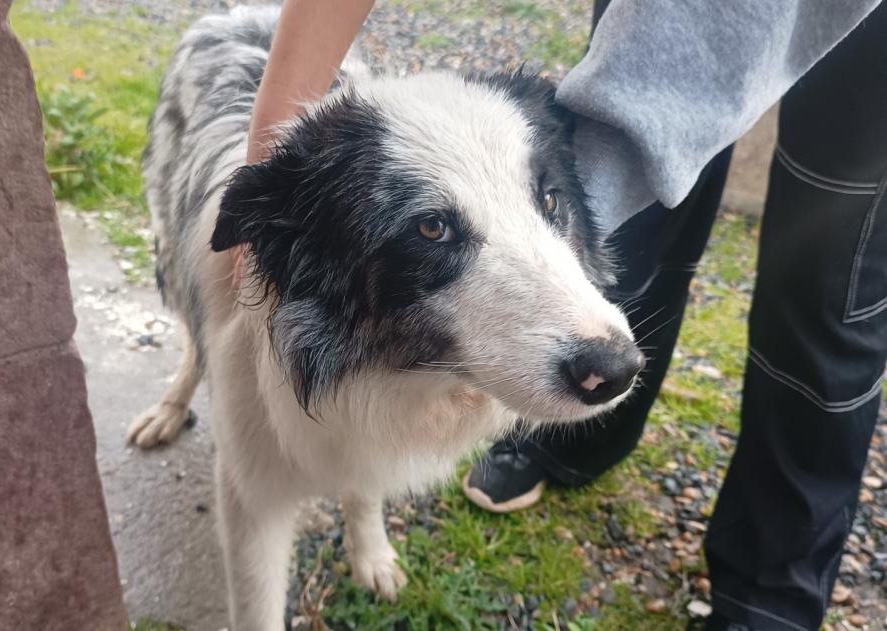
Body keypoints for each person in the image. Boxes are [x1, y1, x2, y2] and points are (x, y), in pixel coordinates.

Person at [245, 2, 886, 629]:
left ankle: (772, 592)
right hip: (649, 30)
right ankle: (580, 448)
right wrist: (267, 161)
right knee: (652, 236)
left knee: (832, 294)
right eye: (434, 227)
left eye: (550, 198)